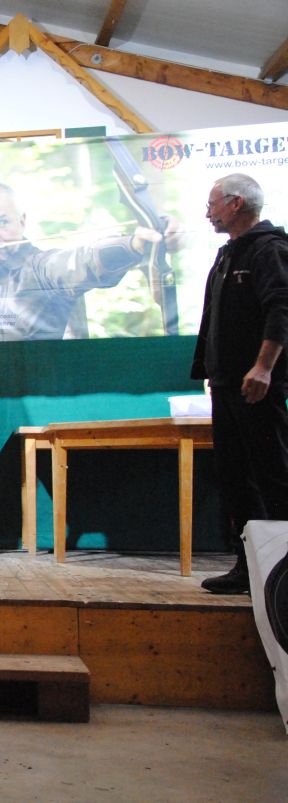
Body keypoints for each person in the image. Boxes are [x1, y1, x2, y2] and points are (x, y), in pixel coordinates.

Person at [0, 181, 181, 341]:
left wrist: (135, 245)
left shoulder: (39, 268)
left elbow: (83, 261)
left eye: (2, 223)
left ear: (22, 221)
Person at [191, 173, 288, 595]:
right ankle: (248, 567)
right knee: (235, 478)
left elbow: (281, 308)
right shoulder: (228, 253)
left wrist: (263, 367)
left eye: (212, 204)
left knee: (272, 475)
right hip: (227, 386)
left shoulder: (270, 249)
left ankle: (282, 572)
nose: (208, 213)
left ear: (235, 203)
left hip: (258, 388)